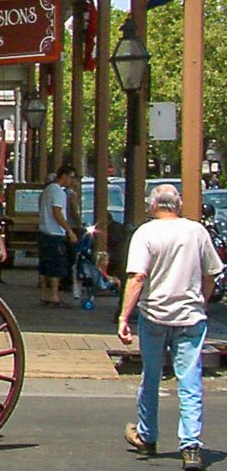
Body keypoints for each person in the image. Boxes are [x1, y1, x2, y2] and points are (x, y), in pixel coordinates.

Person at [118, 185, 222, 471]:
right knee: (190, 381)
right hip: (189, 316)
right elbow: (212, 271)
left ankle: (147, 435)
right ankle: (190, 446)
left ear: (153, 205)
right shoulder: (196, 231)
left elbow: (138, 277)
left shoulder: (146, 233)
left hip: (155, 315)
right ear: (179, 204)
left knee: (151, 376)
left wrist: (124, 317)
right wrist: (202, 297)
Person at [39, 165, 78, 307]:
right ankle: (55, 296)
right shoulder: (59, 192)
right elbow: (57, 212)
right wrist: (69, 230)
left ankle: (43, 294)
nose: (72, 181)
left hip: (43, 231)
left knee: (44, 265)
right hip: (55, 233)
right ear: (64, 176)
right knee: (56, 265)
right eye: (71, 177)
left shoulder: (47, 190)